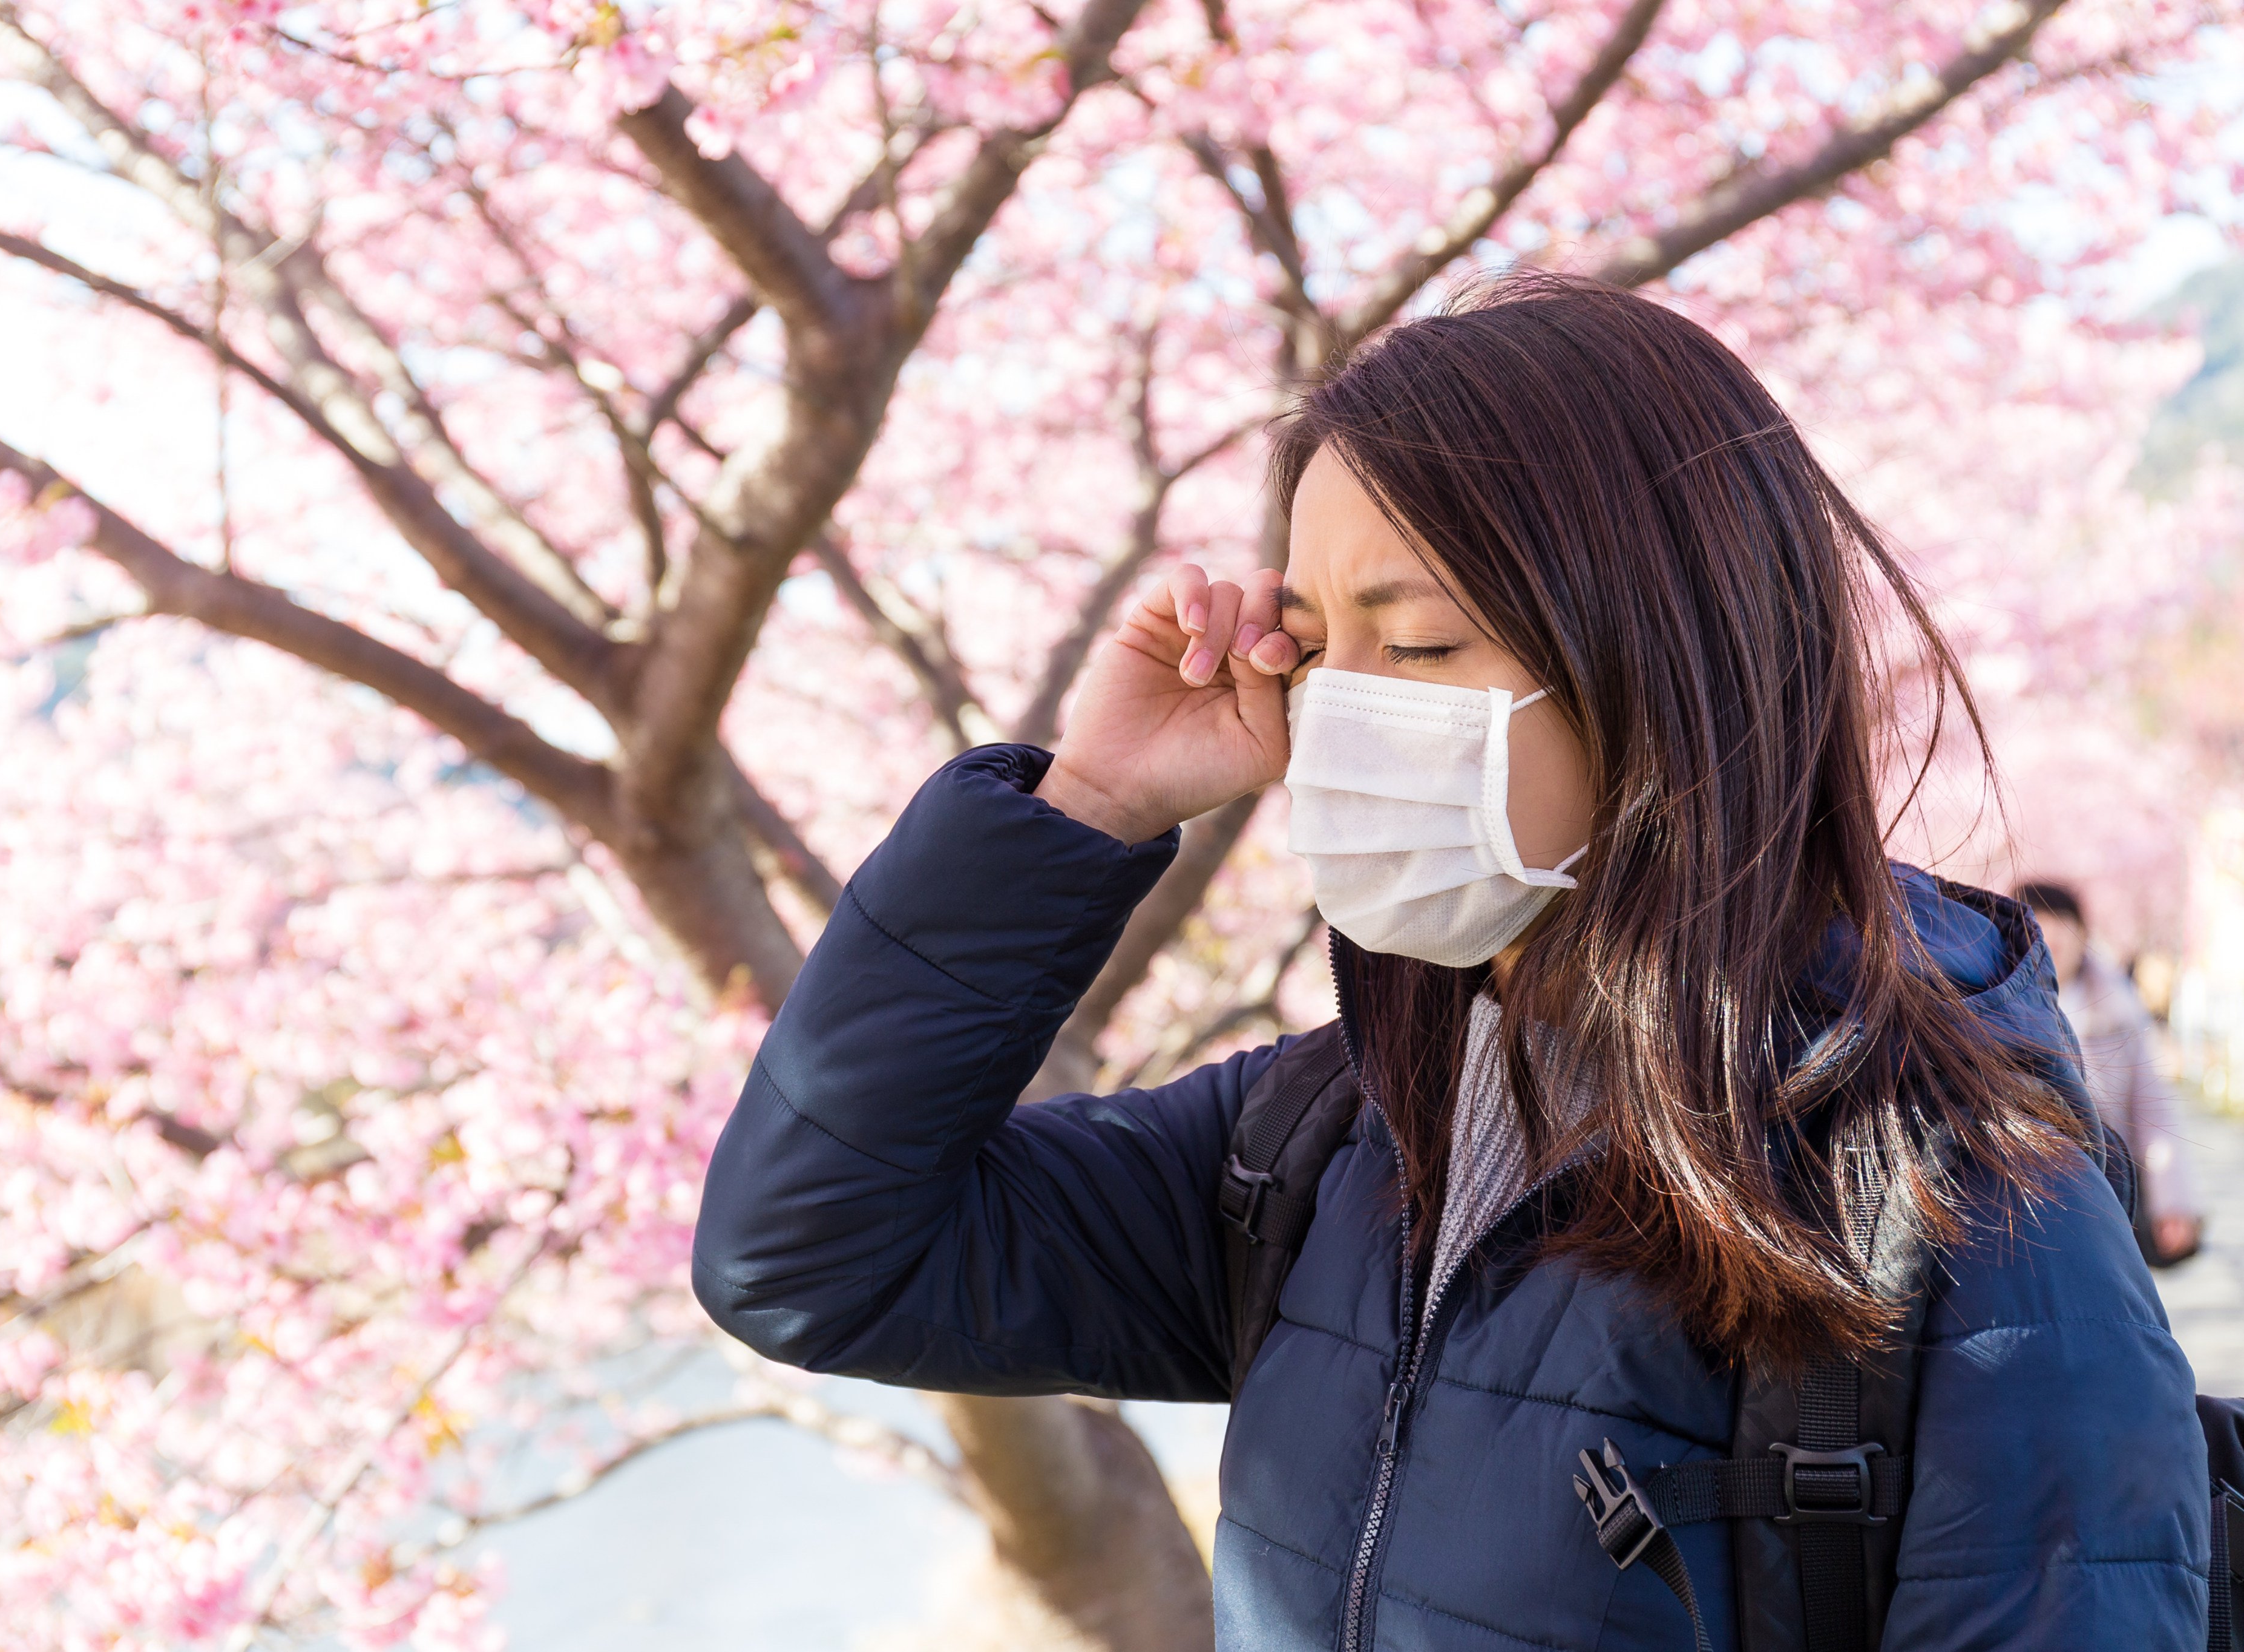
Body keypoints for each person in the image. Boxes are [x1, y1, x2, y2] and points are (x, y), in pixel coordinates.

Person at [693, 275, 2209, 1649]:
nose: (1341, 712)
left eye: (1416, 649)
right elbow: (811, 1263)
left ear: (1665, 667)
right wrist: (1084, 807)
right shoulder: (1323, 1146)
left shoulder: (1953, 1197)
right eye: (1309, 644)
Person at [2014, 879, 2205, 1266]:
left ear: (2083, 934)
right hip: (2019, 1205)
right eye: (2037, 922)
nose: (2051, 936)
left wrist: (2172, 1201)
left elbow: (2152, 1111)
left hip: (2106, 1196)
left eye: (2062, 923)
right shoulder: (1990, 1010)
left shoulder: (2119, 1011)